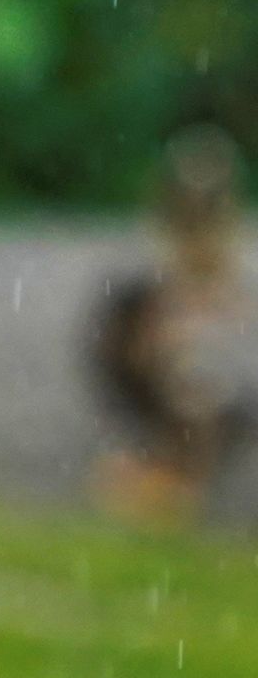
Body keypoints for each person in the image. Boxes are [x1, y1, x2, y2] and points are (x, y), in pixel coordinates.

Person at [89, 125, 255, 526]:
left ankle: (175, 480)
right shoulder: (152, 264)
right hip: (153, 378)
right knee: (193, 385)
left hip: (172, 378)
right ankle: (172, 479)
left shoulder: (216, 253)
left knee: (199, 383)